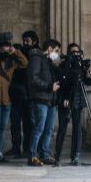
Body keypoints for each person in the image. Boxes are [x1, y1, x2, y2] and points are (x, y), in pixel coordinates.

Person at [0, 40, 27, 161]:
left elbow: (25, 63)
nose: (5, 51)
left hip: (7, 100)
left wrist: (15, 51)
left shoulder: (10, 63)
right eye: (3, 48)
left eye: (8, 48)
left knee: (2, 127)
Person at [53, 43, 91, 166]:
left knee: (77, 128)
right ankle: (57, 155)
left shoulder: (81, 65)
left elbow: (89, 82)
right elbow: (63, 82)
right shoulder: (64, 65)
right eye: (73, 52)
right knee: (62, 127)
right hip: (65, 99)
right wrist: (66, 97)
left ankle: (75, 155)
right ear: (69, 53)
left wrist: (89, 75)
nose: (76, 54)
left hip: (78, 98)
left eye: (77, 52)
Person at [26, 38, 62, 166]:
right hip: (40, 99)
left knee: (49, 129)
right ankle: (32, 156)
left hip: (51, 100)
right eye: (56, 51)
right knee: (39, 128)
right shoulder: (36, 59)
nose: (57, 54)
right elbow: (33, 79)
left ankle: (44, 154)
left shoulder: (48, 61)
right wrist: (49, 86)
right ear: (50, 49)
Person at [7, 30, 38, 157]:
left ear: (34, 42)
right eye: (24, 41)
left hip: (28, 95)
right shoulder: (16, 57)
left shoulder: (35, 54)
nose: (25, 43)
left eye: (27, 41)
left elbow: (26, 64)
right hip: (16, 94)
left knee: (28, 124)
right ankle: (16, 148)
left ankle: (26, 149)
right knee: (15, 124)